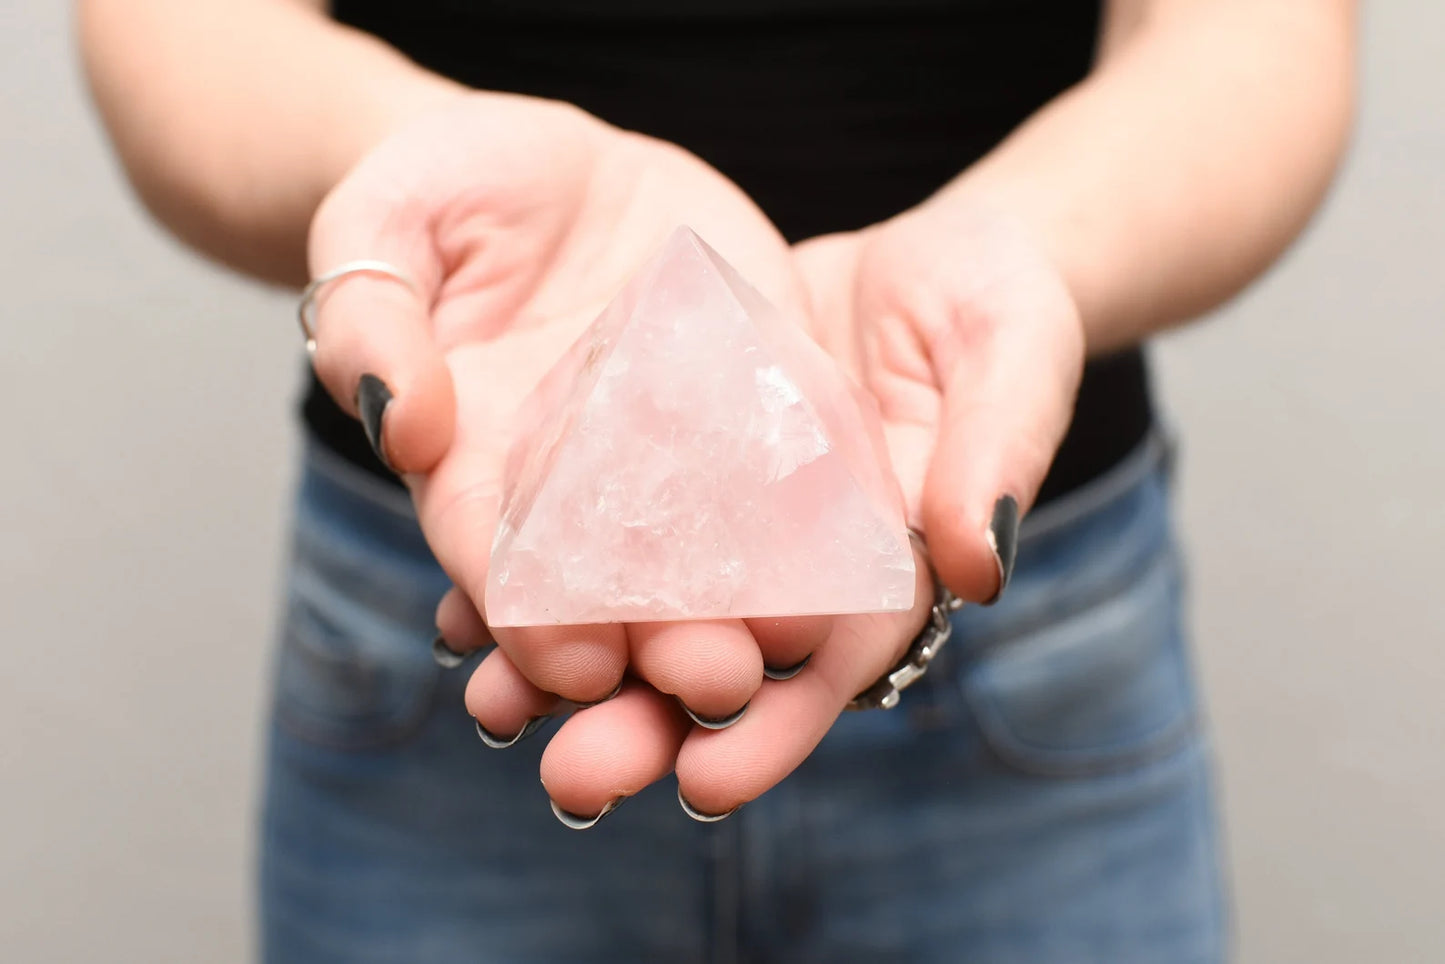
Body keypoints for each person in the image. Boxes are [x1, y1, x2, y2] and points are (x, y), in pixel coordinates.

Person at [79, 0, 1355, 960]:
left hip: (1037, 622)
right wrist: (416, 166)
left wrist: (1030, 246)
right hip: (438, 592)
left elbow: (1251, 50)